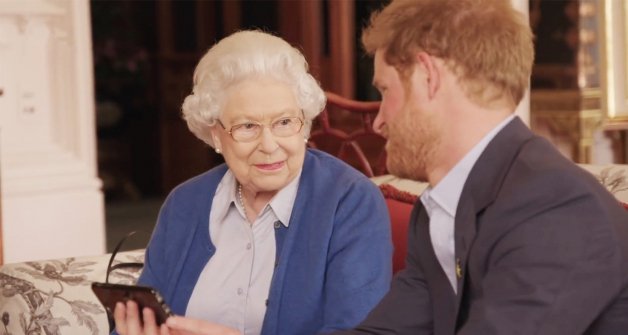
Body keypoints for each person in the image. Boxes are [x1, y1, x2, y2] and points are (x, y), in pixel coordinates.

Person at [160, 0, 628, 334]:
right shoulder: (442, 209)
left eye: (384, 90)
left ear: (428, 77)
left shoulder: (556, 208)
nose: (378, 120)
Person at [112, 30, 393, 335]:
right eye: (247, 126)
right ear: (216, 134)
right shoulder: (185, 204)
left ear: (305, 123)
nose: (269, 145)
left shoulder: (349, 202)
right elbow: (144, 316)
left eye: (284, 122)